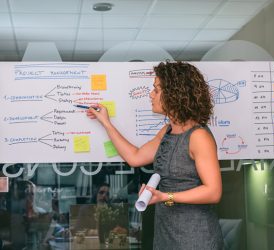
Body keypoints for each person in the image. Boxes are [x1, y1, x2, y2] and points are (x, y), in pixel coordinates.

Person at [87, 61, 224, 249]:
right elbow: (135, 157)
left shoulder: (198, 136)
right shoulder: (168, 130)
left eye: (157, 90)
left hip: (195, 236)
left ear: (176, 94)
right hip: (167, 233)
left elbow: (213, 192)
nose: (151, 95)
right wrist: (106, 123)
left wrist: (165, 196)